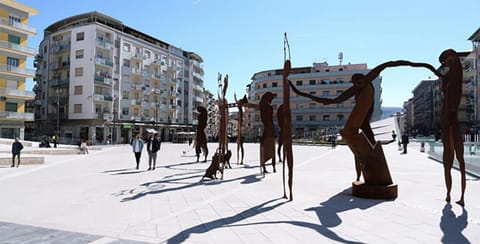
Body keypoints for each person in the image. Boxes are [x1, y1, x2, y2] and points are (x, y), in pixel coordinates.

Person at [289, 60, 438, 181]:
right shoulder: (356, 89)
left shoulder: (368, 79)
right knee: (360, 149)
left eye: (358, 81)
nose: (357, 84)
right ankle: (362, 174)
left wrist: (421, 65)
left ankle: (372, 172)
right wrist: (300, 93)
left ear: (363, 79)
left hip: (364, 122)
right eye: (355, 83)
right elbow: (331, 100)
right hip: (362, 122)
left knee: (366, 146)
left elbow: (388, 64)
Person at [437, 49, 466, 207]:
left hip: (451, 120)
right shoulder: (449, 77)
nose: (445, 63)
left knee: (459, 161)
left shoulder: (456, 73)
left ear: (452, 57)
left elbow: (452, 99)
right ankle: (448, 193)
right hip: (446, 120)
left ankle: (461, 196)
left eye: (446, 59)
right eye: (444, 61)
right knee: (447, 162)